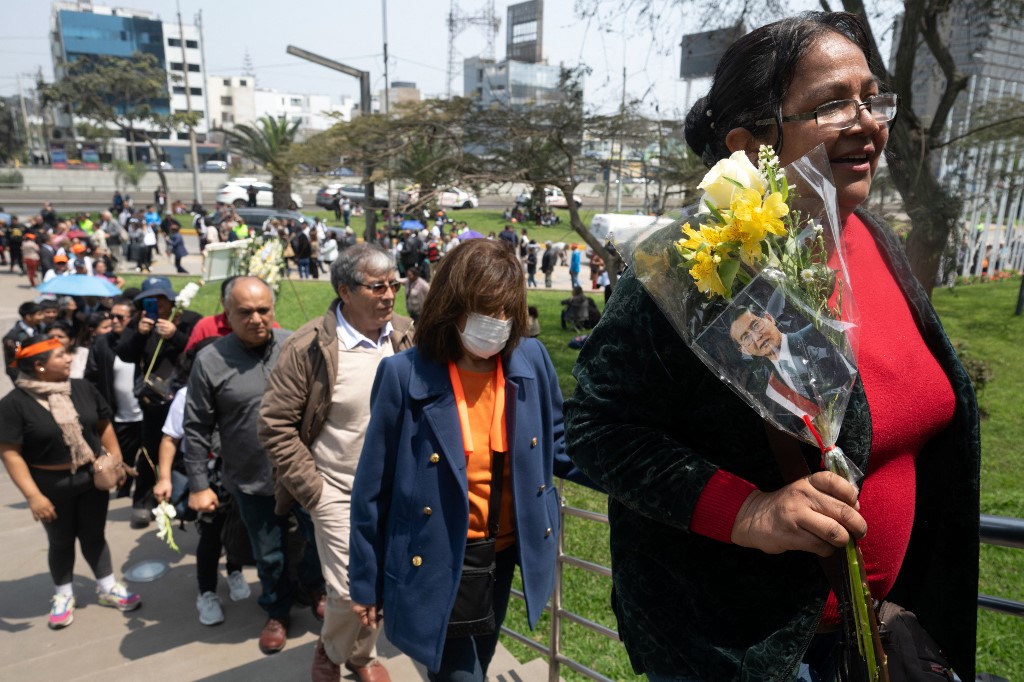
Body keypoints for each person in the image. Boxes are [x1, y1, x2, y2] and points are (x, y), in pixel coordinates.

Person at [564, 11, 979, 681]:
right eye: (832, 104)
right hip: (744, 651)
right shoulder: (691, 266)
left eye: (872, 98)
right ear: (750, 145)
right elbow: (596, 427)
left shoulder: (875, 242)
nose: (867, 121)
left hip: (880, 629)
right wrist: (749, 511)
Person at [348, 238, 593, 681]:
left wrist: (629, 474)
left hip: (498, 559)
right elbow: (372, 486)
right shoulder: (404, 375)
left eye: (505, 311)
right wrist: (365, 581)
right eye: (485, 310)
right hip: (438, 560)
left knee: (479, 657)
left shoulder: (531, 359)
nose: (497, 322)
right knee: (462, 676)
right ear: (451, 306)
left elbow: (559, 443)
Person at [259, 244, 411, 682]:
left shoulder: (407, 335)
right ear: (344, 290)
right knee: (348, 590)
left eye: (393, 285)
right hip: (336, 490)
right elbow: (274, 425)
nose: (389, 295)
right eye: (377, 286)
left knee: (380, 581)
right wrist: (316, 491)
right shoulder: (308, 346)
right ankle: (333, 651)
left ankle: (357, 655)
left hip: (394, 491)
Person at [185, 277, 324, 655]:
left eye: (264, 310)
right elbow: (196, 427)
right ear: (226, 313)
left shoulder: (297, 345)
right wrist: (199, 483)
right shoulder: (210, 361)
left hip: (305, 473)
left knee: (319, 539)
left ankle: (314, 587)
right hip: (251, 478)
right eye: (245, 312)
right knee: (269, 553)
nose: (257, 319)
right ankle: (277, 610)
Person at [0, 336, 140, 631]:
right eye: (61, 355)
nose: (69, 359)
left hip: (92, 479)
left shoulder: (82, 389)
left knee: (94, 535)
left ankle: (107, 587)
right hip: (50, 484)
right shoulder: (14, 404)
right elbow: (11, 454)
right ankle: (63, 594)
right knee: (61, 539)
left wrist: (115, 460)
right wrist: (33, 496)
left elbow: (103, 425)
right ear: (39, 366)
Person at [152, 338, 251, 627]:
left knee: (239, 527)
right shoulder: (186, 396)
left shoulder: (238, 386)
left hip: (240, 471)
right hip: (207, 476)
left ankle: (234, 571)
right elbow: (170, 439)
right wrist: (164, 478)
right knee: (210, 535)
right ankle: (206, 592)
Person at [115, 277, 201, 528]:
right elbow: (124, 354)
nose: (156, 306)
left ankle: (182, 496)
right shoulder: (139, 323)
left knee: (186, 449)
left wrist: (175, 336)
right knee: (151, 449)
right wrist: (140, 335)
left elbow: (199, 352)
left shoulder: (190, 320)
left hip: (184, 397)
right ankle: (143, 501)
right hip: (152, 400)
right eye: (150, 301)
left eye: (161, 300)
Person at [85, 298, 145, 501]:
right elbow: (91, 376)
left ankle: (145, 496)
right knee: (121, 458)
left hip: (144, 412)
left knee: (147, 458)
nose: (114, 320)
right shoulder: (103, 342)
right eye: (111, 316)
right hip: (117, 415)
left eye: (120, 317)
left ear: (133, 318)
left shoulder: (142, 340)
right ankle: (122, 489)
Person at [3, 301, 43, 384]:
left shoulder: (39, 328)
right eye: (39, 314)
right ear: (28, 317)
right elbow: (15, 357)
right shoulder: (13, 336)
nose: (42, 317)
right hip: (21, 374)